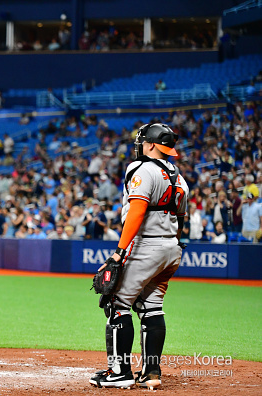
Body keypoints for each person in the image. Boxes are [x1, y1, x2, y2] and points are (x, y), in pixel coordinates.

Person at [90, 123, 188, 389]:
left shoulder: (143, 169)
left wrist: (119, 252)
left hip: (146, 246)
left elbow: (137, 211)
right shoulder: (179, 177)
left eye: (143, 141)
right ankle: (151, 373)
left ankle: (119, 372)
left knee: (116, 304)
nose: (140, 144)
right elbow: (181, 219)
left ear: (153, 144)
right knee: (151, 307)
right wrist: (173, 247)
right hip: (171, 248)